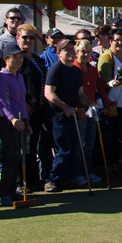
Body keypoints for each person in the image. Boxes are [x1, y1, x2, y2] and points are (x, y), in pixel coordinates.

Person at [44, 39, 95, 192]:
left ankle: (64, 178)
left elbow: (80, 94)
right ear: (58, 53)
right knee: (62, 149)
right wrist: (65, 106)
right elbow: (49, 93)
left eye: (72, 49)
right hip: (58, 117)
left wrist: (90, 103)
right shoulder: (55, 69)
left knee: (73, 148)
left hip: (72, 116)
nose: (71, 53)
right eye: (67, 50)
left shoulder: (74, 71)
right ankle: (52, 179)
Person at [16, 24, 53, 191]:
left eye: (31, 37)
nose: (28, 40)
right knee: (22, 147)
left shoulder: (38, 60)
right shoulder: (16, 60)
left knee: (35, 145)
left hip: (40, 109)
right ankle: (20, 181)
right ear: (17, 38)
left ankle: (32, 178)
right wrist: (24, 104)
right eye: (25, 37)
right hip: (23, 110)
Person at [0, 46, 30, 206]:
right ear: (6, 59)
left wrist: (26, 121)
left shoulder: (19, 75)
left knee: (18, 156)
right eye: (14, 57)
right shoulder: (1, 77)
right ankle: (4, 193)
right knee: (11, 157)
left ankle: (12, 189)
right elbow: (1, 100)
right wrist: (12, 119)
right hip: (8, 122)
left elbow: (22, 101)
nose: (18, 60)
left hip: (22, 120)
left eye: (20, 57)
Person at [97, 28, 122, 171]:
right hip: (110, 104)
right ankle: (104, 165)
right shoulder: (106, 57)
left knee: (120, 136)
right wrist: (114, 82)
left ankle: (115, 163)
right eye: (116, 40)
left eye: (121, 40)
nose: (119, 43)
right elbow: (104, 79)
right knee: (108, 136)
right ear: (110, 41)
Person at [74, 39, 110, 182]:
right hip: (80, 111)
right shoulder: (74, 69)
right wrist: (76, 108)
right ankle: (77, 174)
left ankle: (87, 171)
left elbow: (100, 88)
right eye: (83, 51)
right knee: (79, 144)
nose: (85, 55)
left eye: (88, 52)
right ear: (77, 52)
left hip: (92, 110)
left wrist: (106, 106)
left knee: (90, 144)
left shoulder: (93, 69)